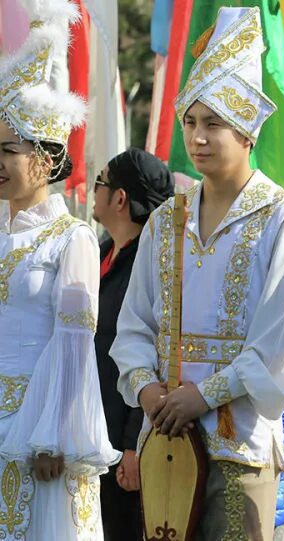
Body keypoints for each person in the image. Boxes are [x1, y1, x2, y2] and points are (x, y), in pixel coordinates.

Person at [111, 7, 284, 539]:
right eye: (191, 122)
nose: (197, 137)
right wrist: (151, 393)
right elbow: (133, 326)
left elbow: (281, 337)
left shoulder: (283, 218)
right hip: (165, 440)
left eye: (214, 123)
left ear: (247, 131)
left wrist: (203, 395)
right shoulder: (165, 220)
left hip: (239, 443)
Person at [0, 1, 121, 537]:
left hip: (37, 427)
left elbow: (73, 342)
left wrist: (53, 436)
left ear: (45, 159)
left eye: (7, 150)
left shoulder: (71, 238)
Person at [92, 148, 175, 540]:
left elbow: (152, 355)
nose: (94, 192)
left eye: (100, 182)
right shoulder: (102, 252)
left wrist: (132, 447)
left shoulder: (152, 265)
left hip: (122, 446)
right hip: (90, 436)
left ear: (120, 198)